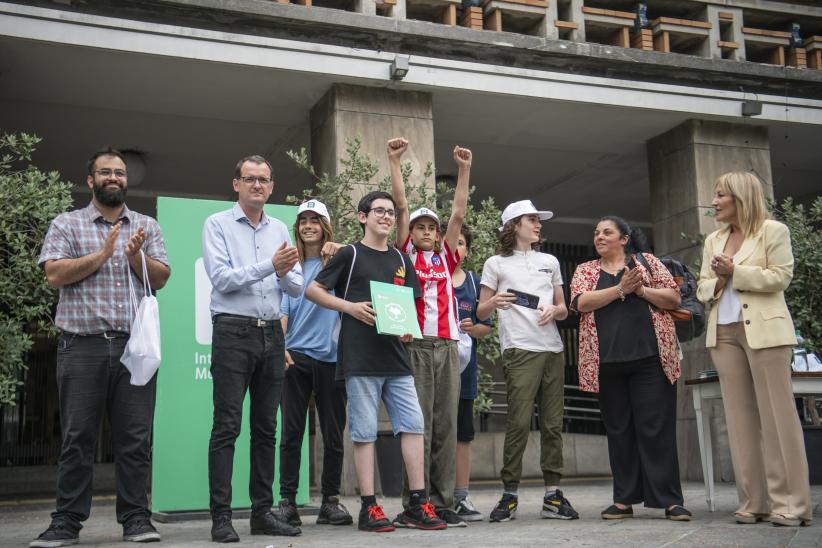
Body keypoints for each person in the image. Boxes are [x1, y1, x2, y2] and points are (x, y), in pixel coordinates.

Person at [33, 147, 171, 547]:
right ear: (90, 180)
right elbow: (55, 274)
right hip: (82, 347)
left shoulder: (146, 225)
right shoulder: (68, 223)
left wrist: (134, 258)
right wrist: (103, 254)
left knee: (135, 438)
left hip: (134, 349)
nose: (115, 178)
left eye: (120, 173)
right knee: (78, 438)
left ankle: (135, 519)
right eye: (105, 172)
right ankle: (66, 522)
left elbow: (161, 278)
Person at [305, 190, 446, 533]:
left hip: (397, 359)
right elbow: (313, 290)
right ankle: (369, 506)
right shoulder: (350, 254)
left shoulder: (400, 258)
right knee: (365, 432)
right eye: (378, 211)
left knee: (413, 426)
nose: (386, 217)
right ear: (362, 217)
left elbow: (408, 304)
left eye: (390, 212)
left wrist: (409, 331)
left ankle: (417, 502)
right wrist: (349, 307)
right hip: (360, 358)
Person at [697, 171, 812, 527]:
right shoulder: (714, 239)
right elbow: (702, 288)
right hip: (725, 333)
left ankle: (791, 504)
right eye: (714, 195)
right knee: (740, 421)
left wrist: (737, 271)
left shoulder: (773, 231)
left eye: (720, 195)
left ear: (741, 197)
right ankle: (754, 502)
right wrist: (718, 279)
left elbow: (781, 276)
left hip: (765, 333)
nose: (714, 201)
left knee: (778, 418)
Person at [202, 155, 304, 542]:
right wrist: (270, 266)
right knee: (226, 426)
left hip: (272, 334)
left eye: (264, 180)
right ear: (236, 184)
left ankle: (262, 512)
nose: (257, 185)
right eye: (250, 179)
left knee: (266, 429)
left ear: (272, 187)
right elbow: (223, 279)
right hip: (233, 331)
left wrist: (281, 271)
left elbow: (294, 286)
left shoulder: (280, 227)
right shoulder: (218, 224)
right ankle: (221, 517)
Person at [569, 215, 690, 522]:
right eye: (596, 232)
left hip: (651, 359)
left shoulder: (646, 262)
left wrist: (641, 291)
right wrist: (621, 289)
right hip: (606, 363)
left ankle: (670, 500)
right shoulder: (586, 270)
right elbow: (581, 302)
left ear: (624, 239)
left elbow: (673, 297)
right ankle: (623, 500)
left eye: (607, 232)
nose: (599, 236)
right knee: (619, 430)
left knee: (656, 429)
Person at [476, 200, 578, 522]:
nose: (538, 225)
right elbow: (480, 312)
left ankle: (552, 495)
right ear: (514, 225)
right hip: (518, 348)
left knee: (552, 424)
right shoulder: (495, 263)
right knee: (518, 423)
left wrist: (556, 311)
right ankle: (509, 494)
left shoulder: (550, 260)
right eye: (532, 219)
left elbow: (564, 306)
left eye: (538, 220)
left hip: (553, 348)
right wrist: (494, 301)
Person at [388, 137, 472, 526]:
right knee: (417, 425)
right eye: (419, 226)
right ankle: (414, 503)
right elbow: (401, 206)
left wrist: (463, 169)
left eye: (430, 227)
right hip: (418, 346)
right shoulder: (405, 253)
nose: (424, 230)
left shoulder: (446, 255)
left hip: (449, 347)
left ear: (438, 234)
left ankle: (442, 504)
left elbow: (457, 213)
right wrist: (395, 161)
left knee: (446, 425)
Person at [275, 199, 352, 527]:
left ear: (325, 226)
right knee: (291, 433)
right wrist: (280, 346)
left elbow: (366, 256)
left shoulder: (338, 261)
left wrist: (343, 248)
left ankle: (330, 502)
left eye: (315, 220)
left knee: (334, 434)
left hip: (333, 359)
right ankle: (287, 502)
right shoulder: (290, 267)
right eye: (303, 220)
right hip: (296, 357)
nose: (308, 225)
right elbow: (282, 310)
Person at [450, 224, 492, 521]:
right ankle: (427, 495)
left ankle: (461, 497)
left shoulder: (476, 283)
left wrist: (472, 328)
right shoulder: (429, 278)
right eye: (451, 241)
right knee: (431, 433)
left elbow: (486, 327)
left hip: (464, 373)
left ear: (467, 249)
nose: (455, 247)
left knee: (463, 436)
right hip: (433, 370)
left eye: (461, 242)